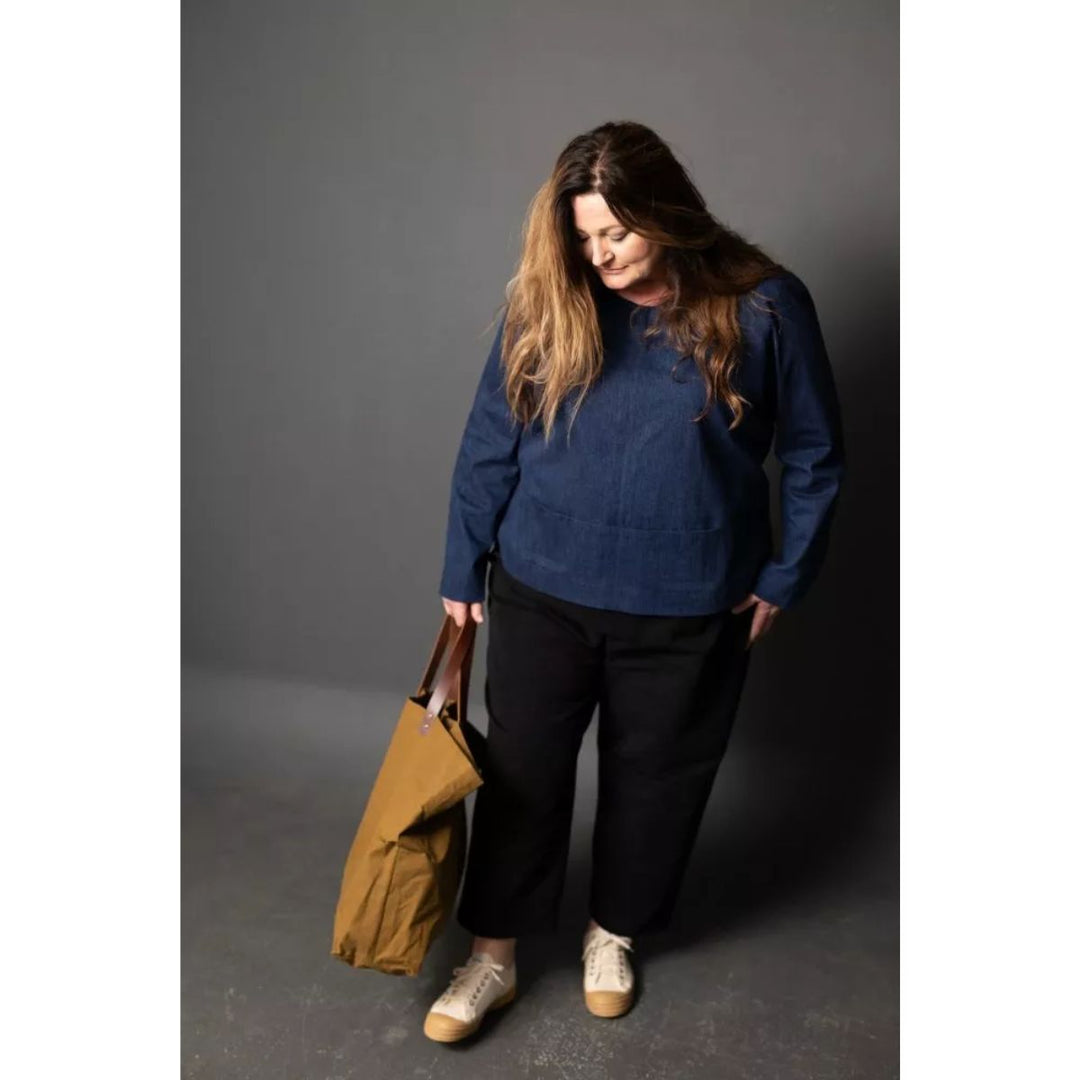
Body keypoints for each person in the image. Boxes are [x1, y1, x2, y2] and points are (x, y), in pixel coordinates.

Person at [423, 120, 845, 1044]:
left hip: (693, 600)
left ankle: (611, 932)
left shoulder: (765, 307)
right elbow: (490, 439)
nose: (598, 253)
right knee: (522, 776)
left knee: (656, 779)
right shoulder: (549, 299)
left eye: (616, 232)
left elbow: (815, 453)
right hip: (542, 585)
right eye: (582, 235)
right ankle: (491, 955)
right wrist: (465, 563)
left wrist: (786, 574)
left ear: (666, 211)